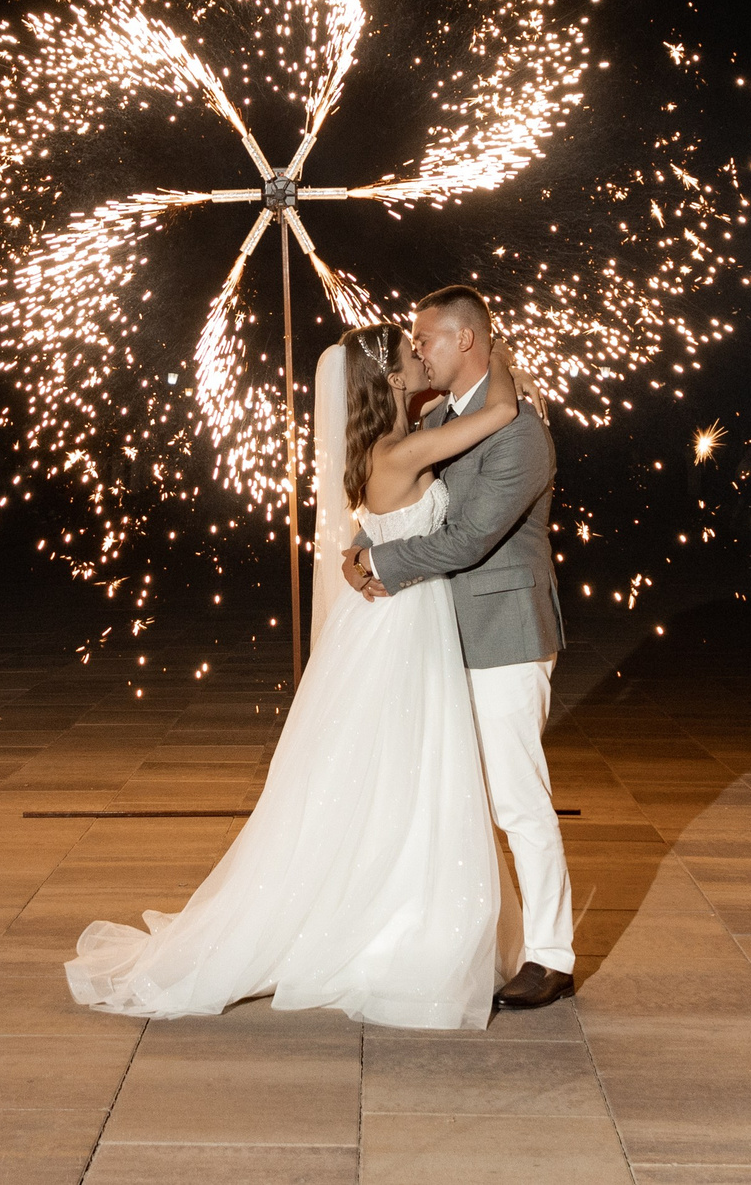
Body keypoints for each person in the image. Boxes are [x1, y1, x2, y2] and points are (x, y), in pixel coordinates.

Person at [63, 321, 534, 1028]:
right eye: (410, 355)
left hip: (392, 614)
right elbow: (498, 412)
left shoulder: (384, 445)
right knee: (407, 763)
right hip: (403, 622)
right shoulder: (401, 450)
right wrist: (489, 348)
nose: (421, 357)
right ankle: (391, 919)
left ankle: (389, 902)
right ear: (389, 380)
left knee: (386, 766)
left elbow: (391, 504)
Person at [344, 284, 574, 1011]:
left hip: (505, 633)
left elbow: (470, 537)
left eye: (427, 338)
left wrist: (382, 566)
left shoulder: (519, 433)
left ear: (466, 339)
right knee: (454, 797)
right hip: (446, 638)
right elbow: (407, 501)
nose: (416, 350)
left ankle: (552, 954)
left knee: (517, 797)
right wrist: (365, 541)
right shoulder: (443, 418)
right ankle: (471, 935)